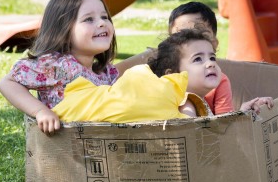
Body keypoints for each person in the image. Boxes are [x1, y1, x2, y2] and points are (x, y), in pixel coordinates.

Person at [0, 0, 118, 135]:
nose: (101, 23)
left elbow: (124, 71)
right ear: (64, 31)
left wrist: (148, 56)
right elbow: (8, 83)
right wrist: (40, 111)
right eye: (88, 19)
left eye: (104, 17)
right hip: (61, 147)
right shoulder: (56, 65)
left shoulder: (104, 72)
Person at [53, 29, 216, 122]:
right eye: (198, 59)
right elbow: (189, 131)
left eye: (212, 57)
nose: (210, 63)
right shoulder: (184, 101)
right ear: (172, 74)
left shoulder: (190, 100)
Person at [168, 1, 273, 114]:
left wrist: (242, 113)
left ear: (214, 43)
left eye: (200, 34)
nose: (194, 40)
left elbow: (225, 124)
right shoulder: (163, 78)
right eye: (181, 35)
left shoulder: (217, 81)